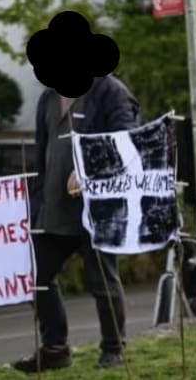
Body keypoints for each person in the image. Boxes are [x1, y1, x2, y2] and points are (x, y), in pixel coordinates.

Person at [13, 74, 140, 373]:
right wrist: (35, 200)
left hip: (97, 205)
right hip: (53, 206)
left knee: (102, 279)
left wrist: (91, 169)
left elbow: (127, 141)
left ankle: (114, 349)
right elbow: (42, 153)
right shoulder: (48, 98)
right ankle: (55, 349)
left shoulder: (110, 91)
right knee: (37, 275)